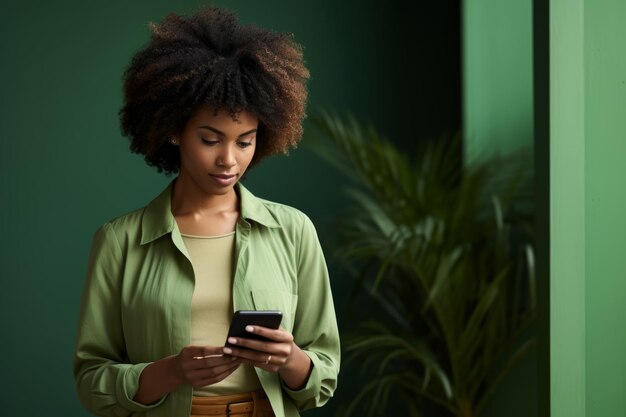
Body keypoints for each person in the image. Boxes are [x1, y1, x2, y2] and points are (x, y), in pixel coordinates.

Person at [73, 6, 340, 417]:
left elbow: (323, 376)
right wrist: (171, 372)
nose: (229, 160)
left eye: (245, 141)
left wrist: (290, 360)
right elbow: (92, 383)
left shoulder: (293, 230)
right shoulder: (119, 241)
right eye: (211, 139)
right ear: (173, 131)